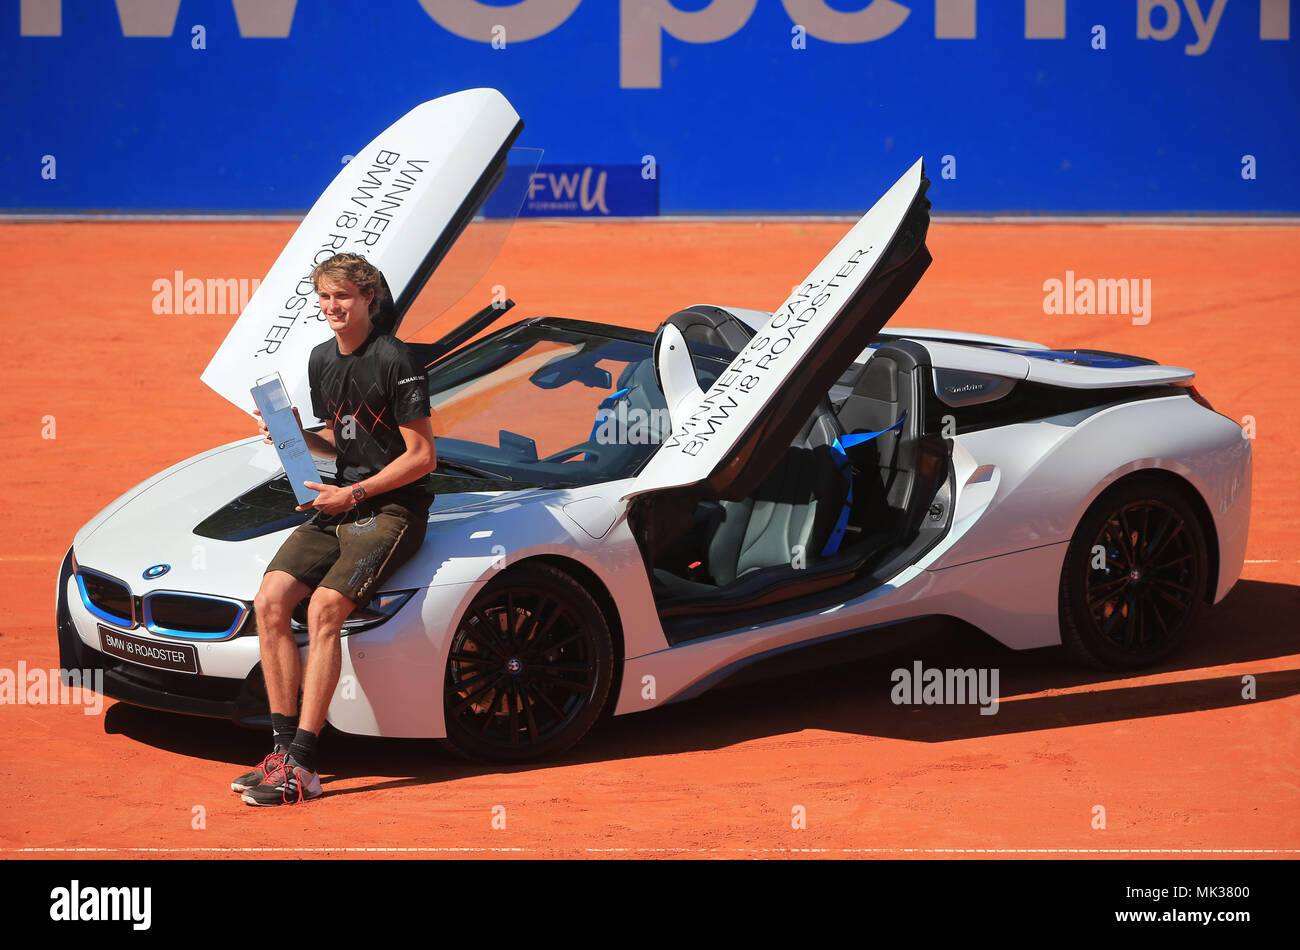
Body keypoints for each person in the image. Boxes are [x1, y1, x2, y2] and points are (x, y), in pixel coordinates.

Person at [233, 252, 436, 805]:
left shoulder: (398, 360)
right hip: (339, 504)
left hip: (393, 509)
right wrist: (295, 438)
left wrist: (358, 491)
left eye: (342, 296)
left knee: (324, 608)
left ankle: (304, 765)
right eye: (325, 298)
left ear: (368, 298)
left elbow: (421, 456)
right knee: (271, 600)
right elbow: (343, 442)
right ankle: (279, 751)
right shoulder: (322, 360)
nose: (332, 307)